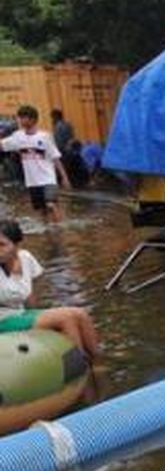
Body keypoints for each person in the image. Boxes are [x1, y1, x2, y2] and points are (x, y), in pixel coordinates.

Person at [0, 219, 100, 360]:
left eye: (2, 245)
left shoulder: (26, 258)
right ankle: (79, 366)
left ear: (16, 245)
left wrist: (38, 317)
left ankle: (97, 360)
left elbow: (30, 297)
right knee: (66, 318)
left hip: (21, 314)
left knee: (80, 314)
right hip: (3, 319)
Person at [1, 105, 71, 222]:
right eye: (20, 117)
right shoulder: (18, 137)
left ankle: (59, 227)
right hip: (32, 181)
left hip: (48, 179)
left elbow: (55, 158)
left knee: (50, 204)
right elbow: (2, 145)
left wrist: (65, 178)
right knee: (41, 210)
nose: (21, 120)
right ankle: (47, 229)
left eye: (24, 117)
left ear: (33, 119)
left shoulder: (44, 137)